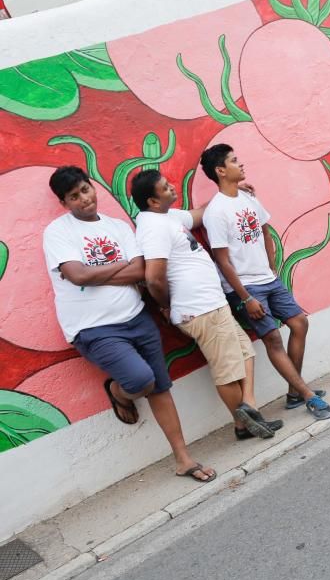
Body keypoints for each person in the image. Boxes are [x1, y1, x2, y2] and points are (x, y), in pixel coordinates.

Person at [43, 166, 216, 483]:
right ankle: (119, 392)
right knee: (140, 381)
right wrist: (121, 266)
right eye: (74, 196)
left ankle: (183, 459)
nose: (84, 199)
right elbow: (78, 275)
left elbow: (140, 271)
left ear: (92, 187)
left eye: (85, 189)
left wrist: (102, 273)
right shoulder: (57, 232)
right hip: (93, 328)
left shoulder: (119, 226)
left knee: (160, 387)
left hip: (137, 318)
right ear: (64, 202)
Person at [132, 169, 283, 442]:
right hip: (200, 308)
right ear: (153, 202)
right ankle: (242, 424)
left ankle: (248, 409)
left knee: (245, 353)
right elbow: (153, 278)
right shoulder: (153, 228)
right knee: (227, 370)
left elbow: (201, 212)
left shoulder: (167, 216)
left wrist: (232, 192)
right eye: (166, 188)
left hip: (212, 304)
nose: (172, 188)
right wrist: (166, 306)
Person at [199, 144, 330, 419]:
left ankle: (294, 392)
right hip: (246, 288)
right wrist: (246, 298)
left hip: (268, 279)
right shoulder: (215, 212)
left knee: (299, 323)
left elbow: (265, 230)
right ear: (221, 170)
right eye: (234, 161)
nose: (241, 164)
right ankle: (307, 395)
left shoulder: (248, 198)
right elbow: (222, 260)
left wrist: (272, 268)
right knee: (272, 338)